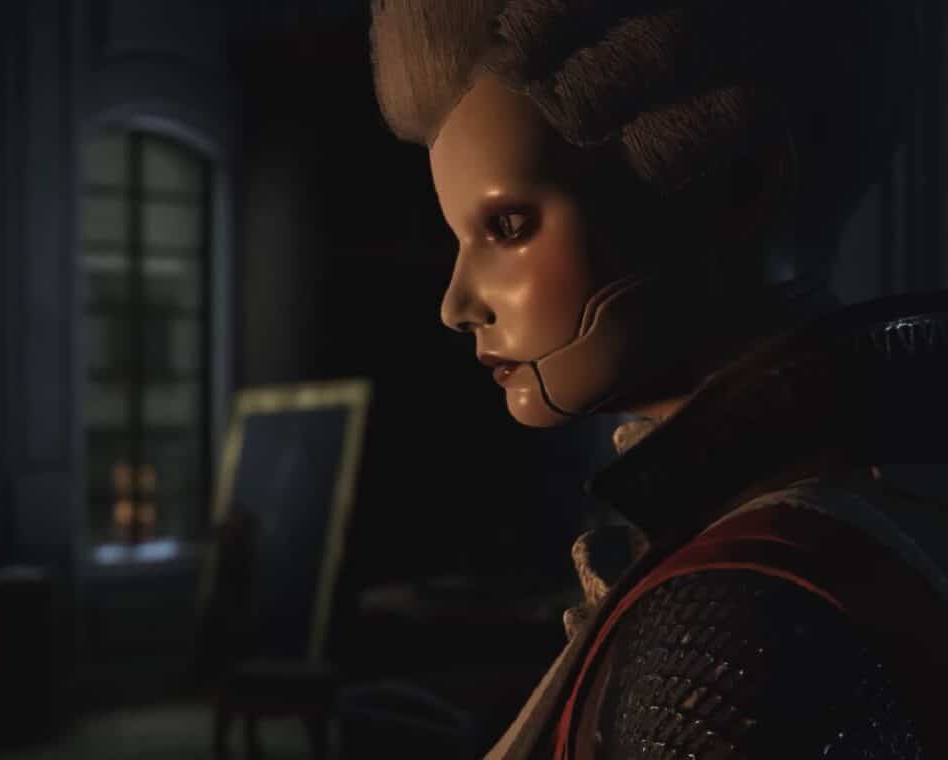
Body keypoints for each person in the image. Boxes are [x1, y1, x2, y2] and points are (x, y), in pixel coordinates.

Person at [369, 1, 948, 757]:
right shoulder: (850, 513)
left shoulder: (740, 608)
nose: (456, 304)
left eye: (508, 227)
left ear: (738, 187)